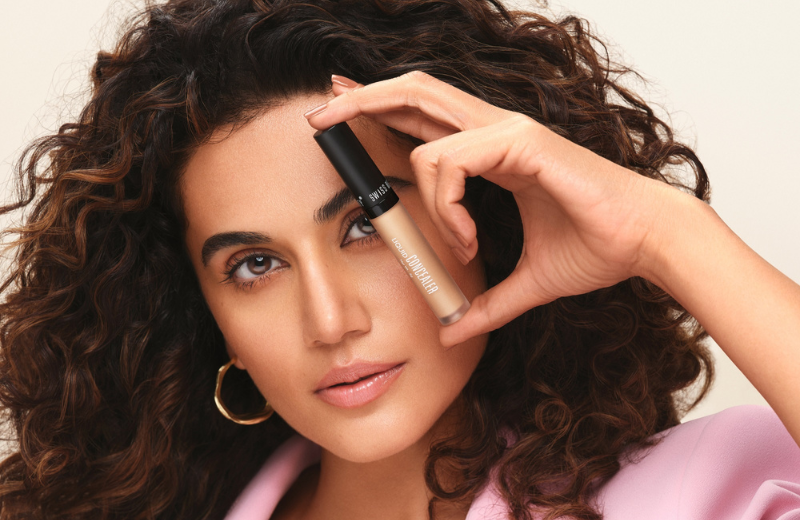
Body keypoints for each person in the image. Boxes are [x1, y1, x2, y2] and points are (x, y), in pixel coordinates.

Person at [0, 0, 799, 519]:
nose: (331, 321)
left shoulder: (696, 494)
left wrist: (665, 232)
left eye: (366, 226)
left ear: (483, 213)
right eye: (254, 265)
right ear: (211, 320)